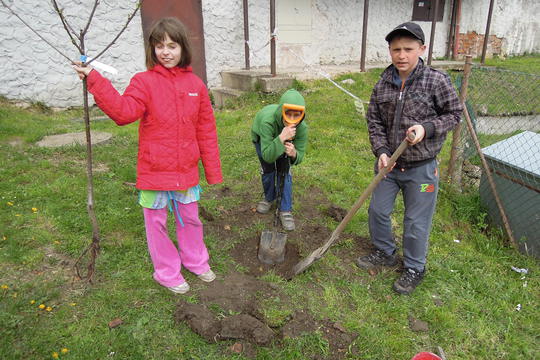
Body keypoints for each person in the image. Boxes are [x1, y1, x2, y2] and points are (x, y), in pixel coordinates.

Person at [73, 17, 222, 294]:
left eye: (172, 45)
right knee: (157, 224)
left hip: (186, 171)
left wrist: (212, 171)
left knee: (190, 219)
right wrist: (94, 80)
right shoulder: (143, 82)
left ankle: (196, 261)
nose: (166, 52)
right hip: (154, 171)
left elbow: (206, 131)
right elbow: (123, 112)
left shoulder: (196, 85)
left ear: (183, 48)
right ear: (152, 49)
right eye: (159, 46)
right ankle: (167, 272)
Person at [356, 22, 462, 295]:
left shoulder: (437, 81)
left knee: (416, 221)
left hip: (422, 169)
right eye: (396, 49)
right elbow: (375, 121)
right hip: (389, 165)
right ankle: (385, 252)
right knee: (378, 210)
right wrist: (380, 151)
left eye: (408, 49)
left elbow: (454, 114)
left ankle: (415, 267)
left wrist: (426, 129)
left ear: (422, 49)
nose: (401, 55)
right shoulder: (383, 83)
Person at [251, 89, 308, 231]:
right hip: (262, 139)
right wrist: (281, 138)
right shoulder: (267, 122)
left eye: (297, 114)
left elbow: (299, 155)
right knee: (268, 169)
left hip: (281, 141)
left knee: (285, 171)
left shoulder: (302, 128)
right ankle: (269, 197)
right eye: (288, 113)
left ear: (302, 115)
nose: (292, 118)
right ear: (282, 111)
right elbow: (267, 155)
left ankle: (285, 209)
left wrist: (294, 153)